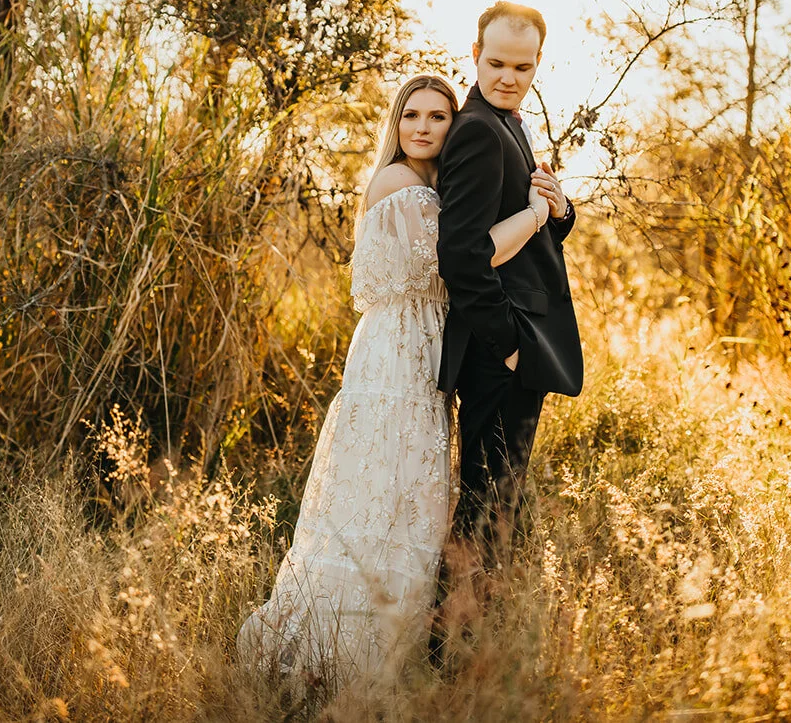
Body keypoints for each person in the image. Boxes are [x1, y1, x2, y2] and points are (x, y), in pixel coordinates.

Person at [237, 73, 554, 682]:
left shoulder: (434, 185)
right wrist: (536, 213)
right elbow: (470, 256)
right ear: (395, 122)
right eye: (412, 116)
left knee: (412, 498)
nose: (423, 128)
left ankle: (390, 653)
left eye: (438, 118)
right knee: (382, 491)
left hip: (425, 348)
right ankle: (340, 654)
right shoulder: (400, 186)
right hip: (396, 352)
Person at [436, 1, 584, 568]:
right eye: (496, 63)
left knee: (501, 501)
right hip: (498, 349)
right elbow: (462, 257)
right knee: (485, 503)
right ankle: (453, 649)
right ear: (475, 56)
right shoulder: (478, 131)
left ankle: (477, 641)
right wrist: (512, 346)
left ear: (537, 64)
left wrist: (559, 208)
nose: (507, 77)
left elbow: (523, 237)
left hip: (511, 344)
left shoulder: (506, 124)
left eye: (522, 68)